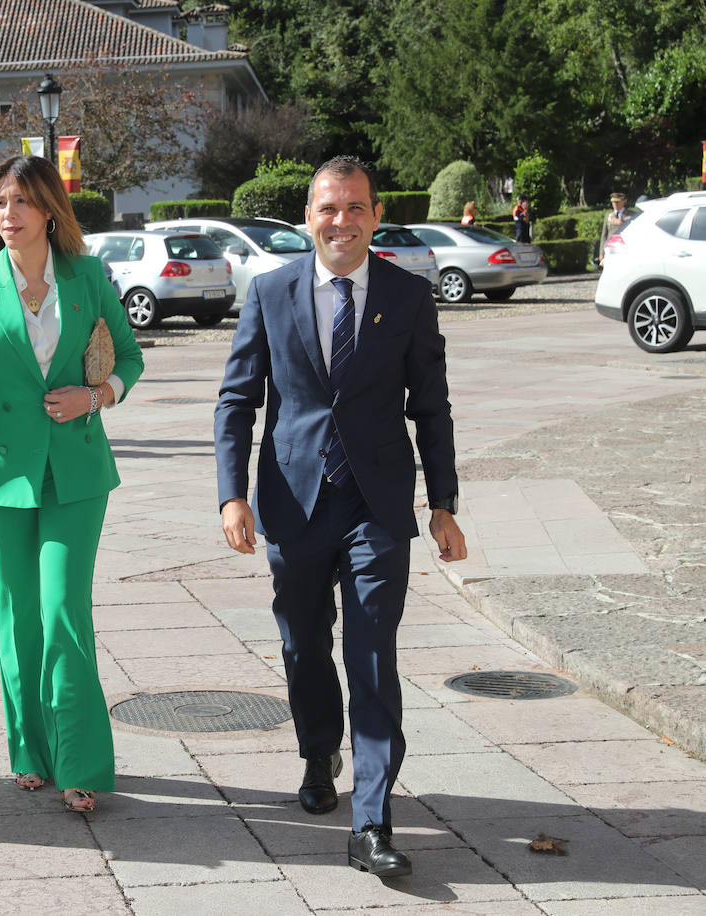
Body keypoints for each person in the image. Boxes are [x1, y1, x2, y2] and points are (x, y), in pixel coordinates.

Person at [215, 156, 466, 877]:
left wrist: (442, 503)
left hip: (377, 506)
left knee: (373, 655)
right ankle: (318, 748)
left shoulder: (408, 297)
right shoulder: (269, 292)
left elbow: (432, 407)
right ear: (308, 217)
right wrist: (232, 495)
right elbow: (237, 401)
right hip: (294, 504)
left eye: (356, 208)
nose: (342, 222)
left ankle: (372, 820)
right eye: (329, 208)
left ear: (376, 216)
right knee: (303, 645)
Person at [0, 155, 144, 814]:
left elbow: (132, 357)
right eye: (0, 203)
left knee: (63, 611)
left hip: (77, 469)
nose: (9, 214)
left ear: (50, 209)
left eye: (22, 201)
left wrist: (98, 394)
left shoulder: (85, 276)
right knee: (19, 614)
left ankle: (80, 760)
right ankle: (30, 748)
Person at [597, 192, 632, 264]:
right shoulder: (609, 215)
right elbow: (604, 235)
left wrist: (621, 223)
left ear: (623, 201)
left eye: (617, 202)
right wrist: (601, 253)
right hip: (611, 249)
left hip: (625, 249)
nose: (615, 204)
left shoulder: (631, 214)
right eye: (613, 202)